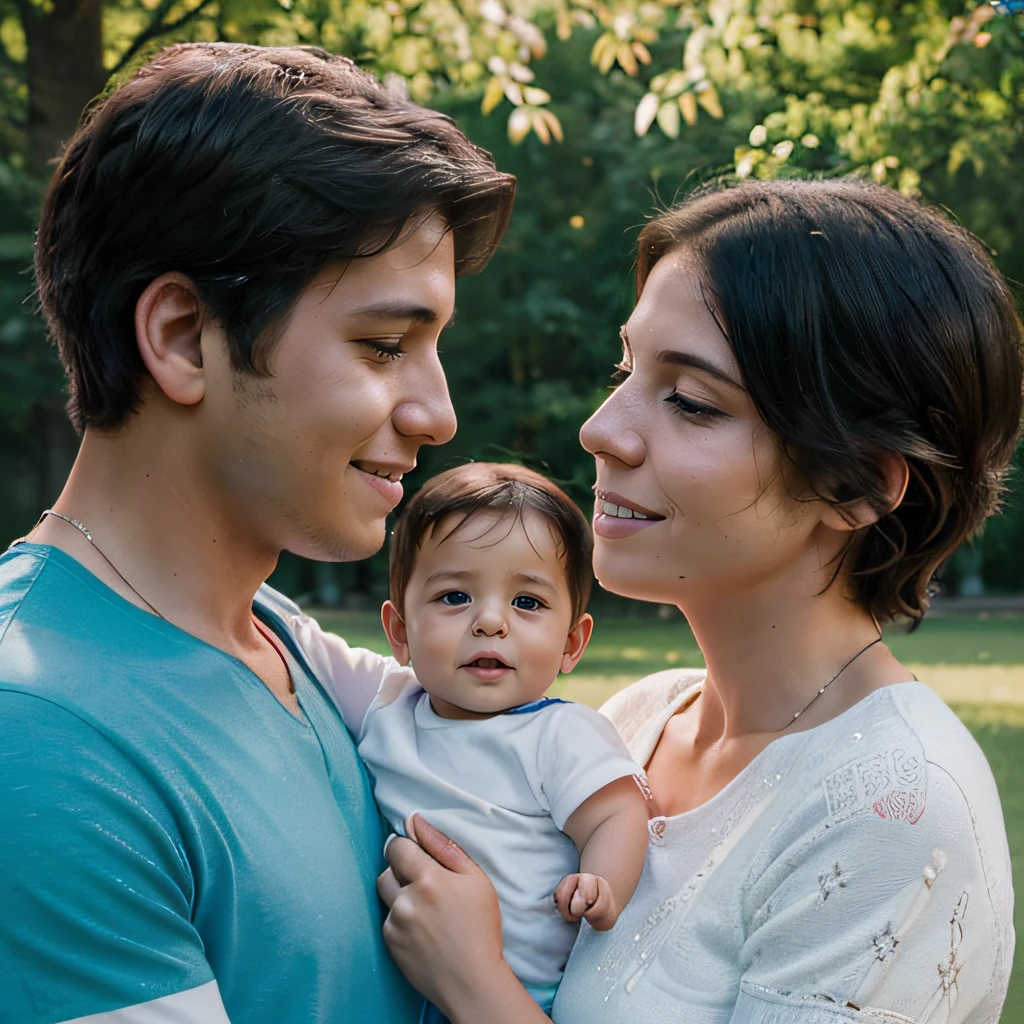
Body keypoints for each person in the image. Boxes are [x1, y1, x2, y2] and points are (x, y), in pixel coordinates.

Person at [373, 178, 1022, 1024]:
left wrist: (473, 984)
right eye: (626, 367)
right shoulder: (640, 718)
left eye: (690, 400)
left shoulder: (891, 812)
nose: (602, 428)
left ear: (856, 485)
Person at [0, 42, 514, 1024]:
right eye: (382, 345)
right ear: (185, 337)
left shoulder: (276, 636)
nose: (438, 412)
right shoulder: (38, 737)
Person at [291, 463, 650, 1019]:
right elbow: (297, 638)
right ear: (400, 632)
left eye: (527, 603)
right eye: (455, 596)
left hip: (523, 993)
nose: (490, 622)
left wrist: (601, 881)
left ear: (571, 643)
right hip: (405, 986)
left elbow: (617, 813)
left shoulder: (560, 733)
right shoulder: (391, 701)